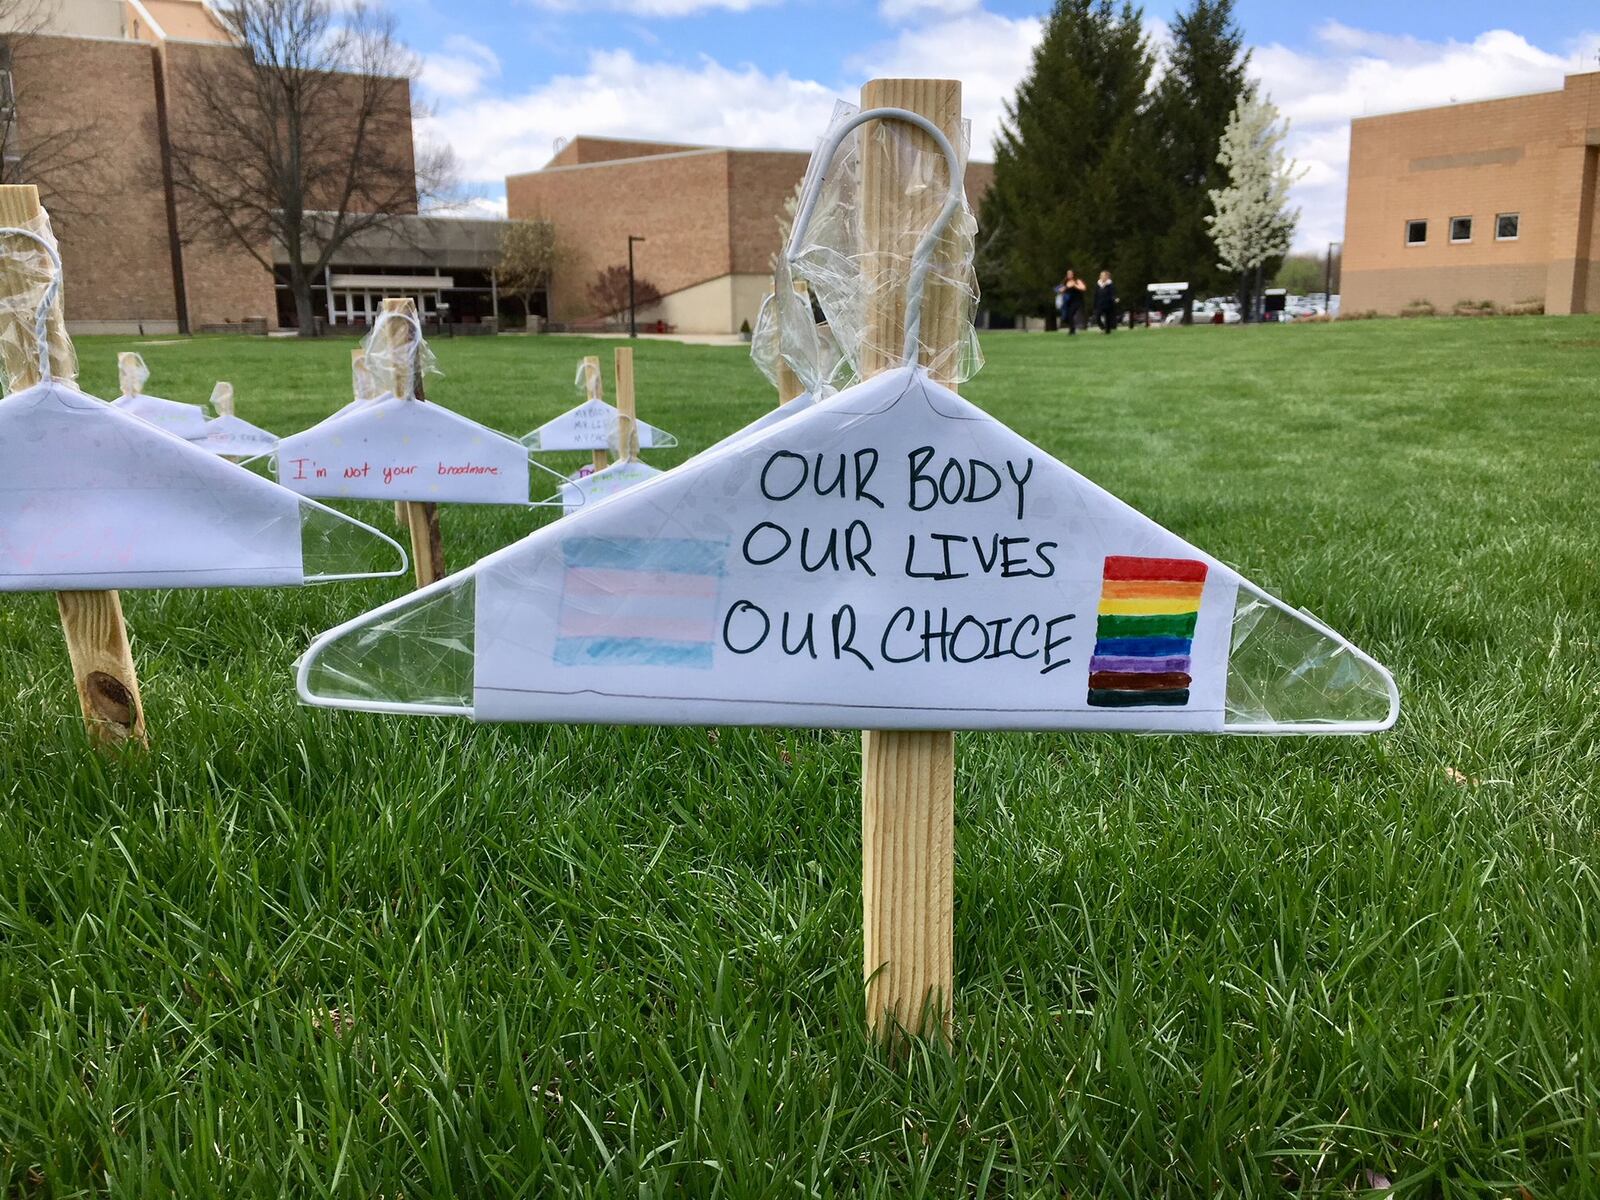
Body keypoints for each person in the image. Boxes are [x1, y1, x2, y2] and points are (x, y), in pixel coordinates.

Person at [1054, 270, 1087, 334]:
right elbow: (1060, 289)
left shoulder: (1077, 281)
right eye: (1068, 274)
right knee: (1066, 317)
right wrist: (1063, 288)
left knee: (1070, 314)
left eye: (1071, 274)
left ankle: (1072, 330)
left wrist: (1074, 285)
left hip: (1077, 301)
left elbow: (1083, 288)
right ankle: (1072, 329)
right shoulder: (1065, 281)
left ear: (1074, 274)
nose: (1069, 275)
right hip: (1068, 301)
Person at [1092, 270, 1117, 334]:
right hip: (1099, 304)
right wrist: (1094, 304)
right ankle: (1102, 327)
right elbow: (1095, 294)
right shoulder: (1098, 284)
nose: (1101, 276)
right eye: (1101, 275)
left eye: (1103, 275)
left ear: (1107, 276)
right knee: (1097, 317)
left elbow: (1113, 294)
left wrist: (1114, 299)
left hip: (1108, 304)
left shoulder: (1110, 285)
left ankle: (1107, 331)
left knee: (1107, 318)